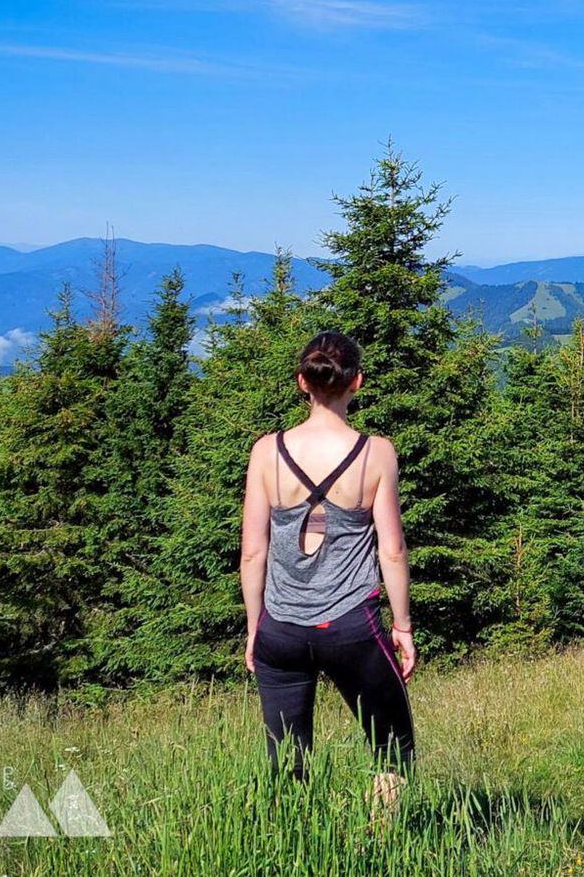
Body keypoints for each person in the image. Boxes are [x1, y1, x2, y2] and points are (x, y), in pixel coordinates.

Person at [240, 330, 416, 820]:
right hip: (352, 627)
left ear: (303, 382)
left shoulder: (266, 452)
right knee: (392, 746)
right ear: (356, 382)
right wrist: (401, 626)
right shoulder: (376, 452)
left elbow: (253, 553)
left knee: (286, 760)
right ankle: (381, 843)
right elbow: (393, 550)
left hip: (280, 626)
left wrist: (257, 628)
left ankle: (295, 847)